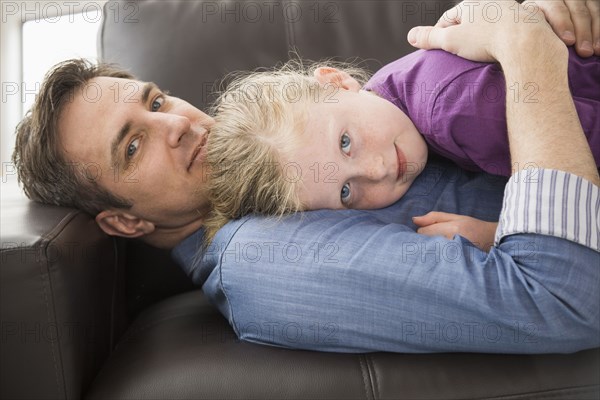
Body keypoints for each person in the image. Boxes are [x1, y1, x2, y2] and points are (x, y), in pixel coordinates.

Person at [11, 0, 600, 353]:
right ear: (125, 219)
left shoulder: (291, 150)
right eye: (133, 146)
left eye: (157, 102)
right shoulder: (260, 261)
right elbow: (556, 297)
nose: (179, 127)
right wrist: (526, 50)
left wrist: (547, 25)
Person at [202, 47, 599, 248]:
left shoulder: (456, 108)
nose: (376, 171)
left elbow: (581, 197)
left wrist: (499, 234)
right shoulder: (400, 95)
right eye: (346, 192)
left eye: (345, 143)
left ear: (335, 81)